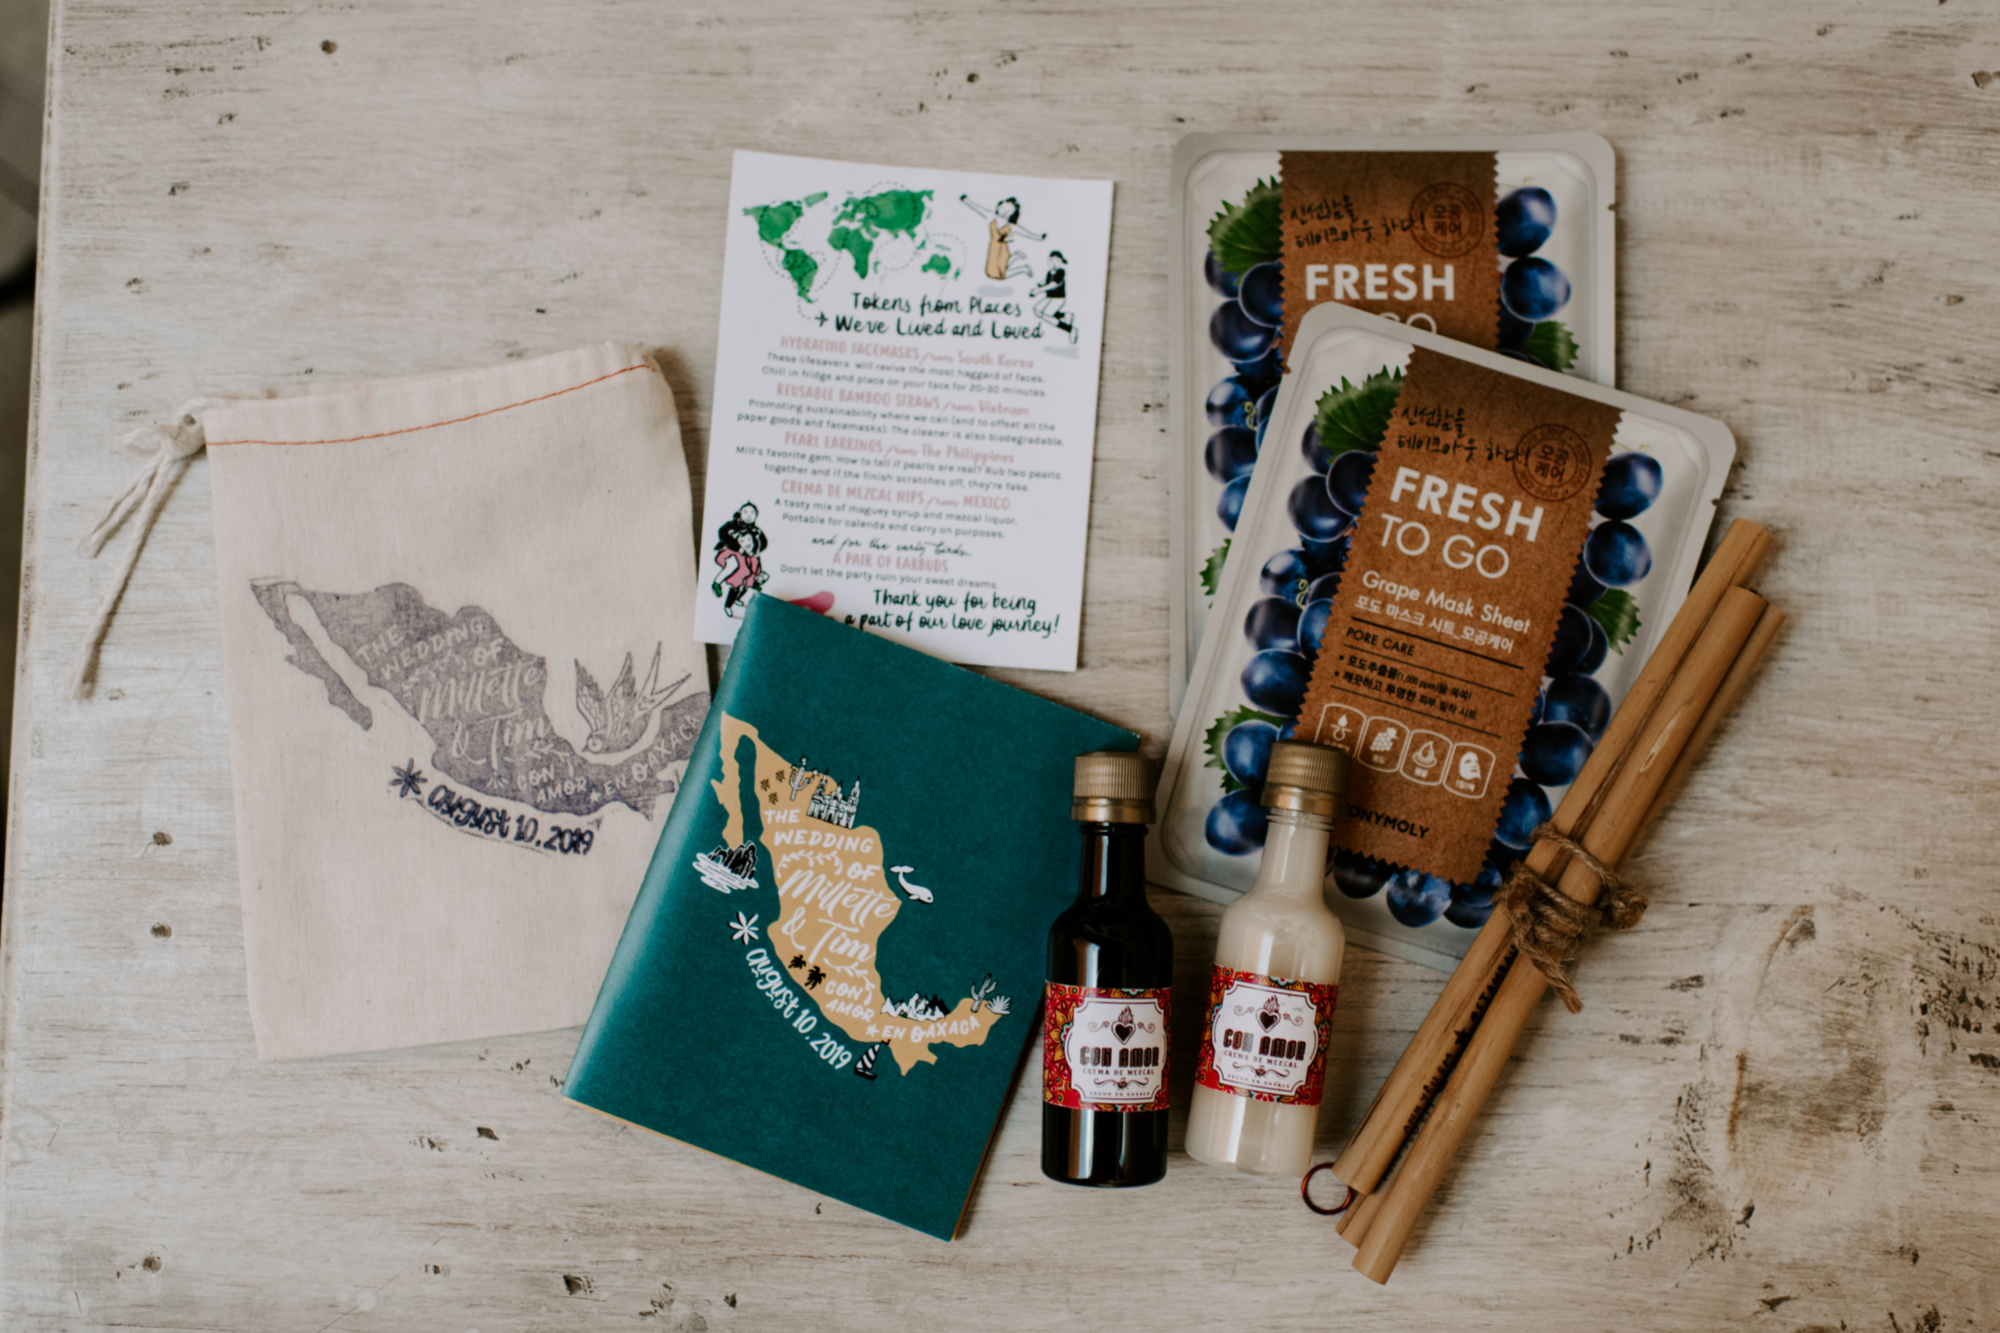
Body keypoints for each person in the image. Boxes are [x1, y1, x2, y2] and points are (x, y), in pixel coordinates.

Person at [960, 194, 1043, 281]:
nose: (1004, 212)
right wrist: (966, 201)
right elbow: (979, 209)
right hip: (994, 248)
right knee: (992, 272)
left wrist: (1038, 237)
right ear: (999, 206)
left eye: (1009, 211)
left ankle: (1021, 265)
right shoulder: (992, 217)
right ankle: (1017, 258)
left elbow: (1026, 232)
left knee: (1000, 274)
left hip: (1002, 250)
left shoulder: (1010, 226)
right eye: (1003, 208)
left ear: (1012, 213)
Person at [711, 503, 769, 617]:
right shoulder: (732, 525)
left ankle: (738, 596)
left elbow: (764, 543)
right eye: (746, 512)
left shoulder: (756, 530)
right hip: (731, 553)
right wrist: (738, 547)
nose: (749, 515)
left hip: (746, 556)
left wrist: (755, 549)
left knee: (749, 575)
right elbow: (722, 533)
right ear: (740, 512)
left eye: (752, 512)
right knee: (737, 572)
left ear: (756, 515)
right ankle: (718, 585)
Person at [1032, 249, 1075, 342]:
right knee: (1037, 310)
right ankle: (1065, 315)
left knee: (1046, 314)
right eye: (1051, 260)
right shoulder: (1049, 272)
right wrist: (1040, 284)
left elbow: (1053, 284)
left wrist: (1038, 291)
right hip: (1049, 297)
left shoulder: (1060, 272)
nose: (1053, 262)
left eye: (1056, 260)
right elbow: (1047, 281)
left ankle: (1069, 329)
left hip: (1058, 298)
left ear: (1060, 262)